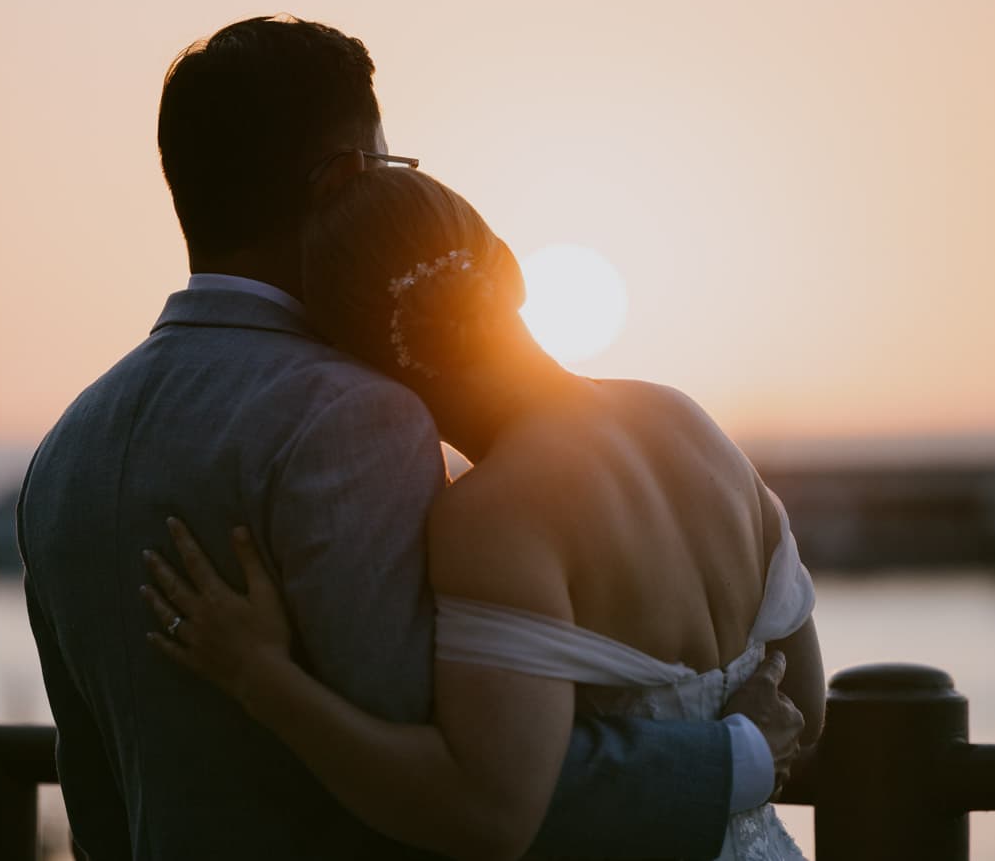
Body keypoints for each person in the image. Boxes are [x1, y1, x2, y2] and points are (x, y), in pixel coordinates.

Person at [17, 14, 804, 860]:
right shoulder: (353, 415)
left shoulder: (65, 451)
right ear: (345, 181)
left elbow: (94, 788)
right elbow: (473, 778)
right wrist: (734, 754)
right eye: (390, 167)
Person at [138, 168, 825, 860]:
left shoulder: (494, 516)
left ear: (362, 364)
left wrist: (264, 677)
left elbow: (486, 813)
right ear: (509, 271)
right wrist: (739, 751)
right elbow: (805, 704)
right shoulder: (685, 419)